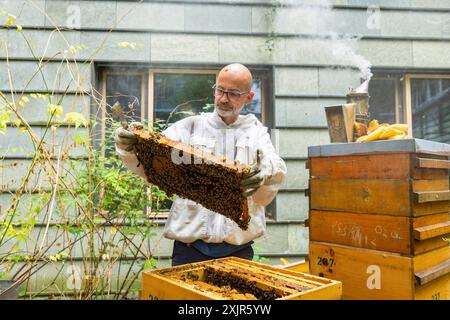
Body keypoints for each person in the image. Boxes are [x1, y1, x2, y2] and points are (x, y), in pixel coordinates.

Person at [114, 63, 287, 266]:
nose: (223, 98)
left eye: (233, 93)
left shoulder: (256, 133)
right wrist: (129, 145)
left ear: (248, 97)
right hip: (189, 250)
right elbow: (149, 163)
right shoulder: (190, 127)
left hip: (237, 252)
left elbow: (275, 165)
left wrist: (265, 172)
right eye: (220, 90)